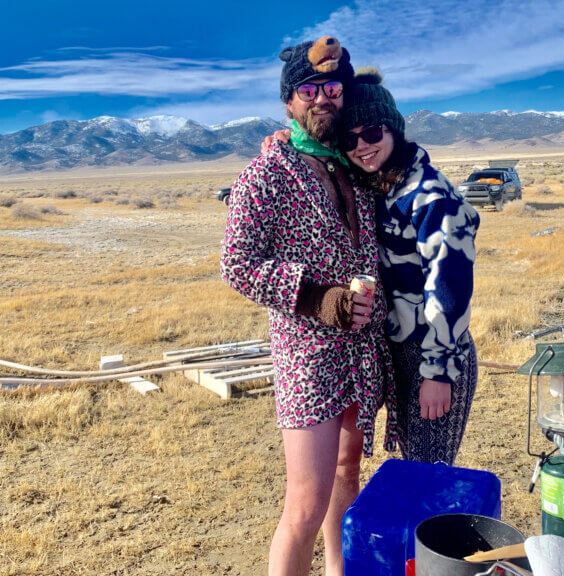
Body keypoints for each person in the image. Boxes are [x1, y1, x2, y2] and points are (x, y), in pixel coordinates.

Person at [220, 37, 397, 576]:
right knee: (304, 504)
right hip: (308, 360)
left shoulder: (352, 165)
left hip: (360, 354)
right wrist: (318, 298)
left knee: (348, 475)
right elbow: (237, 262)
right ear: (289, 100)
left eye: (333, 88)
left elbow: (393, 135)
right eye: (310, 88)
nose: (324, 97)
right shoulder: (267, 173)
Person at [340, 69, 480, 464]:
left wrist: (437, 372)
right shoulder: (380, 183)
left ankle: (435, 529)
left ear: (393, 129)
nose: (361, 146)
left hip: (433, 352)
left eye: (371, 133)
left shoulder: (429, 194)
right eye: (349, 139)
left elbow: (450, 285)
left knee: (427, 473)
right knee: (412, 464)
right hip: (400, 351)